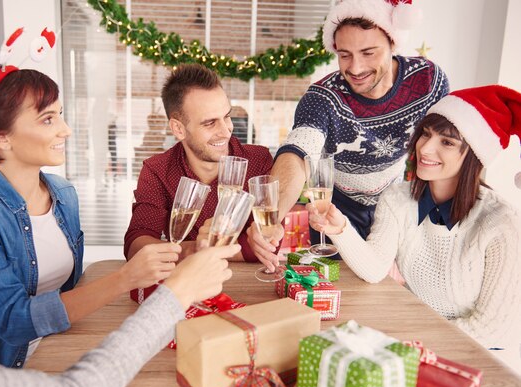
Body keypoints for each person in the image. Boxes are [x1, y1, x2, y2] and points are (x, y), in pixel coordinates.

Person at [0, 16, 239, 387]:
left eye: (59, 114)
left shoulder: (62, 195)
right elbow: (14, 321)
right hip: (8, 373)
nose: (66, 130)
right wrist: (136, 281)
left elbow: (69, 294)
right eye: (47, 119)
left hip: (60, 350)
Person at [310, 85, 521, 363]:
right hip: (417, 344)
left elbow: (491, 330)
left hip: (477, 356)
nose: (426, 148)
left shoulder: (500, 222)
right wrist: (340, 230)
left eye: (447, 142)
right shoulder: (398, 198)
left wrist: (412, 344)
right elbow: (374, 269)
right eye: (426, 134)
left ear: (474, 156)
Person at [249, 0, 449, 271]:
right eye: (344, 55)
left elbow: (449, 144)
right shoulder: (323, 99)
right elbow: (298, 152)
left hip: (394, 200)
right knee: (334, 287)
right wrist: (272, 217)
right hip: (334, 207)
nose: (355, 68)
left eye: (368, 53)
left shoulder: (428, 80)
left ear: (393, 44)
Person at [124, 64, 273, 262]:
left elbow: (268, 242)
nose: (226, 130)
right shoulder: (157, 170)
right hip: (189, 284)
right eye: (210, 123)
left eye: (227, 116)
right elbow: (137, 246)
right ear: (178, 128)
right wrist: (198, 248)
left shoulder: (259, 160)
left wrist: (187, 250)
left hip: (248, 285)